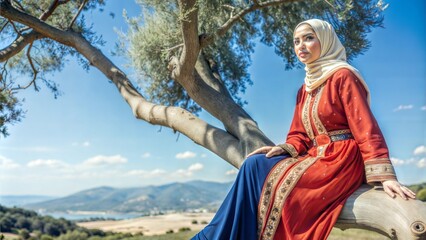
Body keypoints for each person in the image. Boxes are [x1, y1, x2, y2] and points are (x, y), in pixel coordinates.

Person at [192, 19, 416, 240]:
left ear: (326, 40)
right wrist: (283, 148)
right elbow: (298, 134)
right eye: (296, 41)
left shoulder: (343, 76)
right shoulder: (305, 88)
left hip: (342, 159)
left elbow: (365, 126)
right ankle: (219, 235)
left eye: (309, 38)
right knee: (253, 165)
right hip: (313, 156)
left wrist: (385, 177)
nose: (301, 45)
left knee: (287, 191)